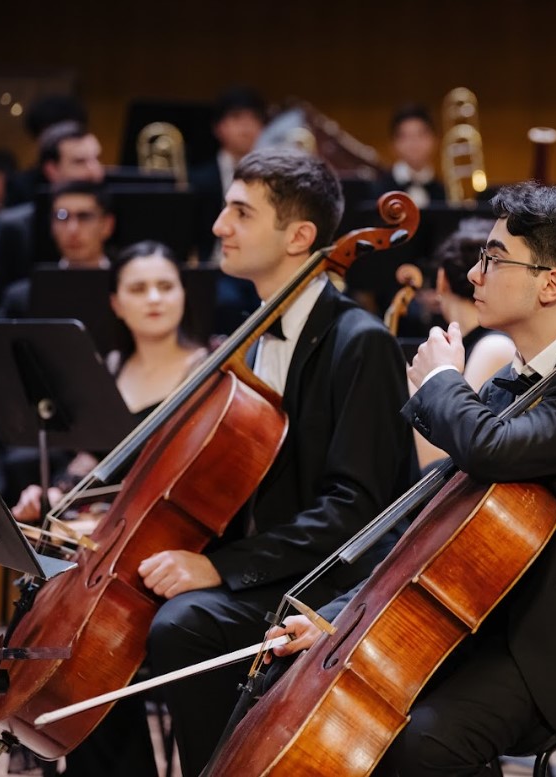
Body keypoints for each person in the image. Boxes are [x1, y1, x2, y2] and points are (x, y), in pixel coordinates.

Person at [268, 182, 556, 775]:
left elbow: (494, 449)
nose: (474, 273)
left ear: (551, 285)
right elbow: (428, 526)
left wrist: (443, 381)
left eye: (494, 259)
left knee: (420, 743)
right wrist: (335, 618)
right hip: (502, 626)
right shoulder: (513, 381)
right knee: (356, 712)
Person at [116, 148, 415, 777]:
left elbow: (354, 510)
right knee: (103, 615)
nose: (219, 226)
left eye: (241, 213)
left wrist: (218, 569)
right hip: (263, 568)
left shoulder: (361, 343)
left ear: (298, 237)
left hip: (327, 583)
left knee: (183, 625)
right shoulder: (247, 336)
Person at [10, 239, 207, 522]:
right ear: (116, 304)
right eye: (138, 289)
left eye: (166, 287)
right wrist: (55, 494)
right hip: (102, 525)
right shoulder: (112, 365)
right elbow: (93, 457)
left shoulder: (206, 369)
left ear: (183, 294)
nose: (154, 298)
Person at [411, 217, 515, 469]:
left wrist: (417, 386)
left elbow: (441, 461)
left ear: (441, 280)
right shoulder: (477, 345)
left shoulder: (493, 347)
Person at [0, 120, 106, 312]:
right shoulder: (14, 228)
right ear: (52, 169)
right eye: (80, 162)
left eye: (96, 159)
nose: (95, 172)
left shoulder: (120, 216)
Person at [190, 86, 269, 334]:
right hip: (217, 268)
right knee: (228, 304)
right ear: (218, 127)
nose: (246, 127)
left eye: (254, 118)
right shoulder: (197, 179)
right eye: (237, 118)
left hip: (260, 267)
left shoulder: (273, 179)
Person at [0, 179, 115, 318]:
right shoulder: (23, 298)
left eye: (84, 217)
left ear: (107, 225)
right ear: (51, 226)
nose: (72, 229)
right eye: (62, 217)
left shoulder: (127, 290)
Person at [370, 103, 445, 208]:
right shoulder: (378, 188)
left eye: (421, 135)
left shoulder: (444, 190)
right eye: (406, 136)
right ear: (393, 144)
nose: (414, 143)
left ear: (435, 140)